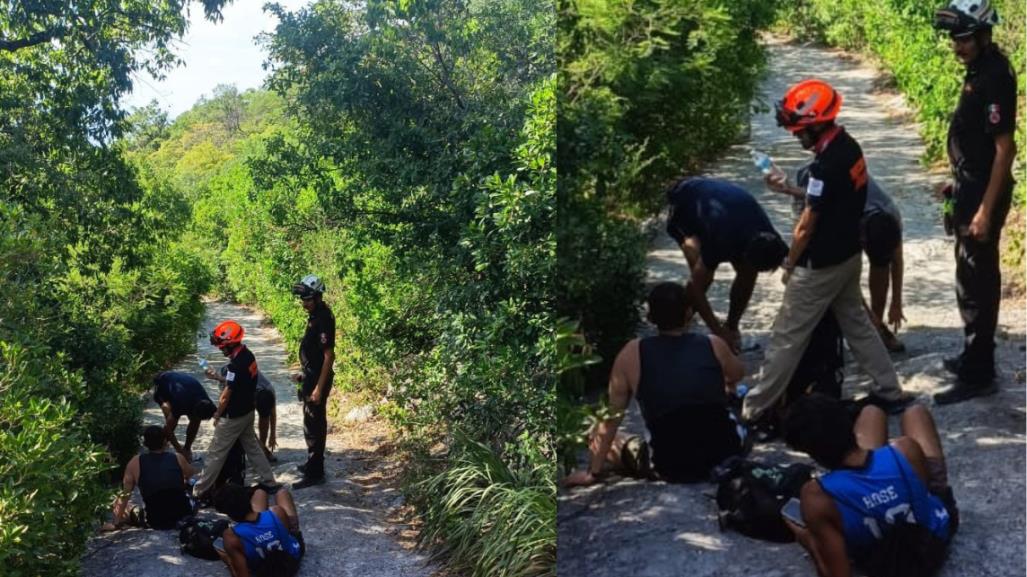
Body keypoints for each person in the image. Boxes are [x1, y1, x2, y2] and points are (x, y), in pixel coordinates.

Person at [741, 79, 914, 425]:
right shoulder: (850, 148)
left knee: (787, 337)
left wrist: (790, 262)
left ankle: (754, 409)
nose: (795, 135)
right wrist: (791, 188)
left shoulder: (823, 167)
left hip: (819, 266)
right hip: (848, 256)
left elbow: (807, 225)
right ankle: (890, 391)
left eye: (799, 128)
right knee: (859, 325)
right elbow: (832, 199)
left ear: (817, 123)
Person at [564, 282, 747, 486]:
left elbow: (611, 418)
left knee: (597, 437)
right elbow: (737, 373)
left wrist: (592, 474)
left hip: (671, 466)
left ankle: (605, 465)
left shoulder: (631, 354)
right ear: (689, 314)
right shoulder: (713, 344)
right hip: (726, 455)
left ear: (650, 318)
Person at [932, 0, 1016, 404]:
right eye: (954, 38)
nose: (956, 45)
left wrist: (984, 208)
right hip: (969, 186)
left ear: (983, 35)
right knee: (967, 275)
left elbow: (1005, 149)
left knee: (978, 278)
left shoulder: (996, 76)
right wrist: (957, 183)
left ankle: (979, 373)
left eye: (963, 38)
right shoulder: (979, 70)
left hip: (984, 191)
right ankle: (973, 355)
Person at [782, 394, 957, 576]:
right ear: (849, 425)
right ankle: (868, 463)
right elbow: (923, 492)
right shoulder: (906, 448)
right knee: (913, 412)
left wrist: (808, 539)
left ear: (810, 452)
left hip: (884, 560)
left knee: (871, 414)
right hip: (933, 537)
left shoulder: (817, 496)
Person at [776, 166, 907, 352]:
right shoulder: (837, 223)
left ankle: (875, 328)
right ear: (861, 238)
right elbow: (845, 279)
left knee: (881, 266)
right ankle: (873, 328)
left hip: (854, 206)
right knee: (834, 274)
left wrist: (896, 303)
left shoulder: (890, 216)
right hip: (814, 198)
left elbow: (897, 261)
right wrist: (790, 264)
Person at [666, 177, 790, 351]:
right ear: (745, 253)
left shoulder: (771, 238)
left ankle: (732, 326)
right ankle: (676, 327)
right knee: (702, 275)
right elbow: (695, 286)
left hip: (725, 204)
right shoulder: (720, 240)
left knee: (747, 273)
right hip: (685, 201)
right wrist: (717, 331)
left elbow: (793, 266)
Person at [193, 320, 278, 501]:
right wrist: (218, 377)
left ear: (230, 344)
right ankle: (269, 482)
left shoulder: (234, 366)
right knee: (253, 448)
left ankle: (199, 491)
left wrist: (217, 413)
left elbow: (226, 396)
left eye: (222, 346)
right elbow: (240, 382)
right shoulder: (249, 356)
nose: (220, 349)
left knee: (216, 453)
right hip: (248, 412)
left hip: (233, 417)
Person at [101, 425, 195, 531]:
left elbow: (125, 495)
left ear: (145, 443)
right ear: (165, 441)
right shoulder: (177, 457)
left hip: (156, 520)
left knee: (118, 503)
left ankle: (126, 518)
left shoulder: (135, 462)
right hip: (184, 515)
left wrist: (116, 524)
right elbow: (190, 473)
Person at [290, 275, 336, 489]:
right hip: (310, 376)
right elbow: (314, 352)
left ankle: (315, 472)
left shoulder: (324, 318)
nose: (304, 304)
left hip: (318, 379)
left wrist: (318, 387)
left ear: (317, 297)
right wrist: (304, 373)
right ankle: (312, 463)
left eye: (307, 299)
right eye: (303, 300)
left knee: (315, 424)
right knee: (310, 423)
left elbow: (328, 356)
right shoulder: (315, 315)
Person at [214, 484, 304, 577]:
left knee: (260, 494)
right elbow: (285, 535)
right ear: (248, 500)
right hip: (291, 559)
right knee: (281, 493)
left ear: (228, 513)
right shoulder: (277, 511)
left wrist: (228, 560)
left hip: (265, 570)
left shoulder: (231, 536)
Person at [153, 371, 217, 462]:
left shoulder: (207, 403)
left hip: (184, 385)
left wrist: (186, 450)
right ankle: (159, 450)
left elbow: (218, 416)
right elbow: (168, 428)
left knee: (195, 421)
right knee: (170, 421)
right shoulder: (180, 403)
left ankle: (187, 448)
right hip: (163, 383)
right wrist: (180, 451)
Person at [255, 371, 278, 462]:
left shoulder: (270, 391)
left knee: (264, 417)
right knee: (242, 424)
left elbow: (273, 414)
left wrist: (273, 435)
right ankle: (262, 449)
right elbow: (245, 426)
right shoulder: (245, 394)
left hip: (259, 390)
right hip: (238, 386)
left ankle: (262, 448)